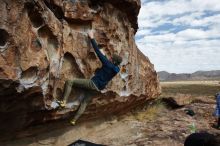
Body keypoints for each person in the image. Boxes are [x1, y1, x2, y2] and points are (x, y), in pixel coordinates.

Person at [57, 30, 122, 125]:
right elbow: (107, 62)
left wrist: (91, 37)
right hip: (98, 89)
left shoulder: (108, 64)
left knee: (69, 82)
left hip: (92, 84)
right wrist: (104, 56)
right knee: (84, 103)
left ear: (113, 60)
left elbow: (97, 52)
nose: (110, 57)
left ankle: (63, 101)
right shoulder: (115, 69)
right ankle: (73, 120)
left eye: (111, 58)